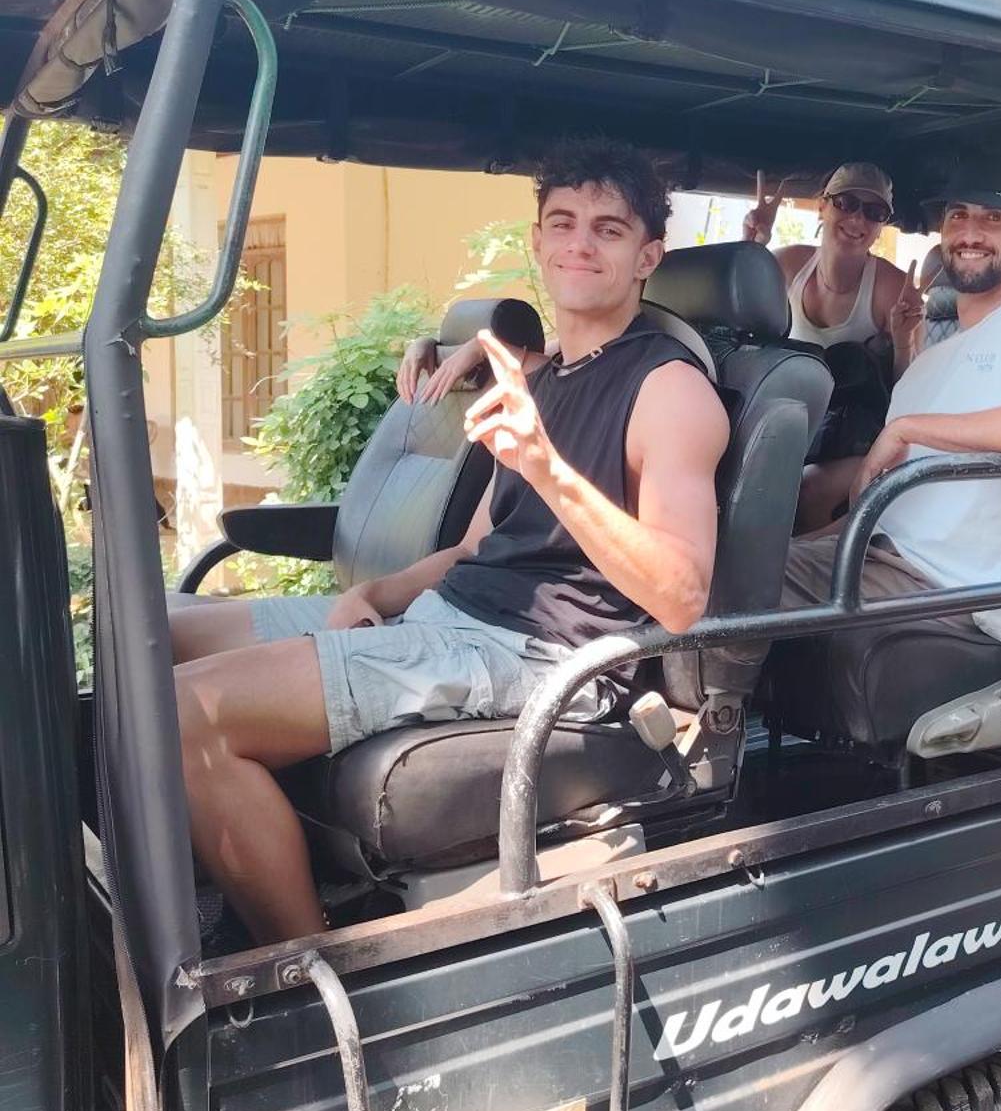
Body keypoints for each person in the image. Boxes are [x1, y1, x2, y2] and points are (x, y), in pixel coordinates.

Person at [171, 140, 729, 947]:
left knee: (191, 713)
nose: (580, 243)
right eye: (562, 223)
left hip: (538, 655)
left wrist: (550, 471)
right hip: (442, 621)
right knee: (156, 629)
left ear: (647, 256)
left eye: (609, 230)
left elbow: (681, 597)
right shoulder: (542, 381)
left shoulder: (670, 389)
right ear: (536, 243)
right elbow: (473, 550)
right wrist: (370, 596)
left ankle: (305, 972)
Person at [778, 154, 1001, 651]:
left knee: (720, 588)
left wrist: (907, 428)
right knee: (725, 567)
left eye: (995, 218)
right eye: (959, 215)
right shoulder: (927, 366)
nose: (971, 232)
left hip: (954, 595)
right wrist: (793, 548)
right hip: (878, 562)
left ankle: (711, 723)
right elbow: (887, 514)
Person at [743, 162, 925, 365]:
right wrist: (749, 248)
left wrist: (903, 346)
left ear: (882, 226)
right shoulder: (786, 265)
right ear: (822, 207)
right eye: (846, 203)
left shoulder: (896, 291)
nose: (857, 219)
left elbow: (913, 388)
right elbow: (737, 327)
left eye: (875, 212)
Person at [396, 296, 546, 405]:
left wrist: (485, 347)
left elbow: (558, 370)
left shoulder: (551, 375)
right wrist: (427, 344)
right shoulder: (438, 371)